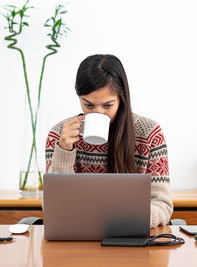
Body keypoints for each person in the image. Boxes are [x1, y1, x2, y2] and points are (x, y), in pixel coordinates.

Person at [45, 54, 173, 228]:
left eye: (108, 105)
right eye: (88, 105)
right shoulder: (60, 134)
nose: (98, 113)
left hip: (129, 234)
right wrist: (64, 151)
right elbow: (54, 207)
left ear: (122, 99)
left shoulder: (149, 133)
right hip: (78, 236)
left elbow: (162, 204)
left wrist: (134, 220)